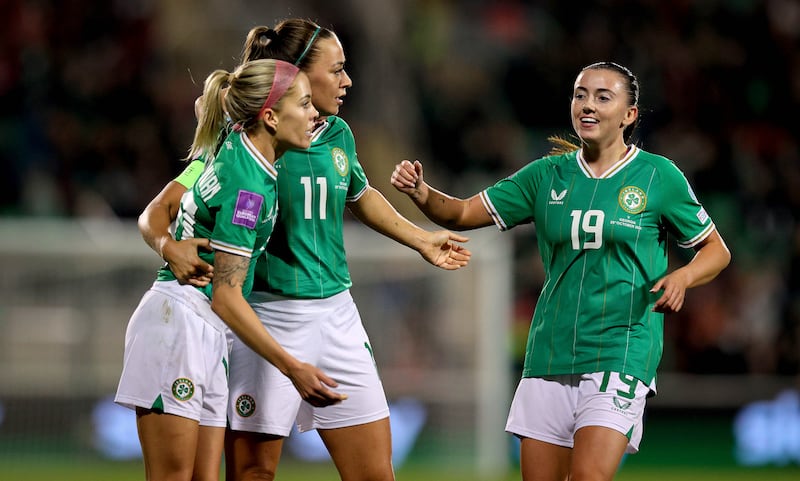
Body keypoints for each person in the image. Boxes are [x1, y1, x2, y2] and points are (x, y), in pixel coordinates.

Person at [138, 19, 471, 481]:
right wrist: (166, 245)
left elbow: (359, 193)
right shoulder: (243, 142)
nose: (346, 81)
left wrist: (421, 239)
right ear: (295, 75)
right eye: (336, 70)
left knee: (376, 472)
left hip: (337, 315)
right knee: (253, 472)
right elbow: (168, 205)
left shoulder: (336, 133)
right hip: (265, 313)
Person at [390, 62, 731, 481]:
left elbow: (716, 250)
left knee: (588, 477)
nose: (587, 105)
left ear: (630, 115)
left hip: (621, 350)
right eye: (580, 94)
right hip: (550, 352)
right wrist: (421, 192)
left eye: (603, 97)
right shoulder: (546, 176)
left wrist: (683, 276)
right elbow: (461, 213)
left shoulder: (659, 176)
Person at [115, 58, 347, 481]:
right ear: (271, 116)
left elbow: (211, 100)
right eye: (305, 103)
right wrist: (293, 367)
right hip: (180, 324)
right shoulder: (249, 188)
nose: (316, 114)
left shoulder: (238, 143)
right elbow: (225, 296)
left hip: (206, 333)